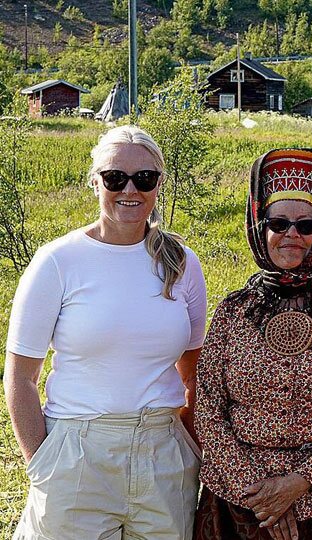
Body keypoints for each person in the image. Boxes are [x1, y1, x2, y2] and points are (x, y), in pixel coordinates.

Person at [4, 125, 207, 539]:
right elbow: (20, 377)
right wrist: (40, 462)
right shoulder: (57, 261)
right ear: (95, 182)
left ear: (158, 184)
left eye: (144, 178)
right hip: (77, 452)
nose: (129, 189)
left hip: (162, 453)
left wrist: (190, 449)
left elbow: (193, 374)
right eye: (115, 178)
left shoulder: (183, 264)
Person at [193, 148, 312, 540]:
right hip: (239, 505)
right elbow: (208, 409)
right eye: (279, 222)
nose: (292, 234)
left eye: (305, 224)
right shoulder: (232, 313)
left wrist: (298, 484)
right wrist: (263, 496)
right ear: (262, 228)